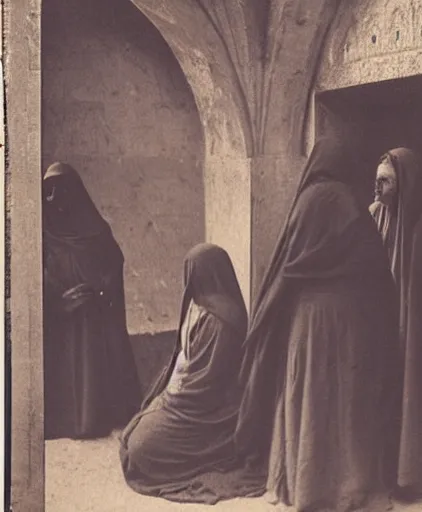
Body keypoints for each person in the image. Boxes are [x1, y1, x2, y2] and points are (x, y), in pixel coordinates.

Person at [235, 137, 402, 512]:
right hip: (347, 318)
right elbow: (374, 268)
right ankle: (349, 486)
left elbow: (287, 263)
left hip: (305, 318)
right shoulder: (349, 202)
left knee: (307, 392)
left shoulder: (305, 201)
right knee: (345, 399)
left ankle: (303, 485)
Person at [120, 243, 260, 504]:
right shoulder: (199, 308)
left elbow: (209, 384)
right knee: (132, 436)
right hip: (186, 398)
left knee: (141, 451)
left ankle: (214, 453)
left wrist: (172, 401)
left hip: (213, 411)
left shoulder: (222, 321)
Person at [43, 162, 141, 440]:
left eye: (60, 191)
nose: (53, 199)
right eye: (48, 192)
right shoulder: (44, 234)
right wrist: (59, 300)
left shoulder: (97, 231)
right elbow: (38, 273)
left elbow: (114, 265)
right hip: (62, 318)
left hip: (95, 316)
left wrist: (99, 292)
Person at [370, 148, 422, 500]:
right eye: (376, 180)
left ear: (405, 185)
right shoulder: (375, 215)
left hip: (411, 324)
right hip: (380, 316)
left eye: (385, 182)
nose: (377, 189)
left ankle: (409, 476)